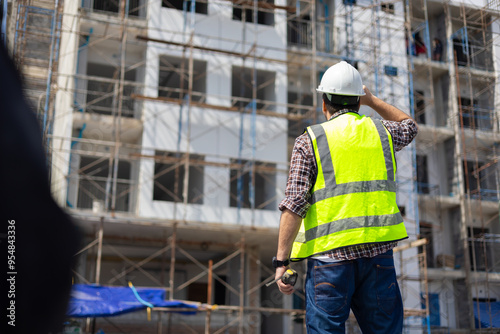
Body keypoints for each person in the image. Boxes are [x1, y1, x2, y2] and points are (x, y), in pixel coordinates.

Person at [273, 61, 418, 333]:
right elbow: (409, 125)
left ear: (324, 102)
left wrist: (282, 262)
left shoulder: (311, 140)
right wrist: (373, 100)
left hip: (329, 262)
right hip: (378, 258)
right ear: (358, 102)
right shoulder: (382, 132)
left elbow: (294, 204)